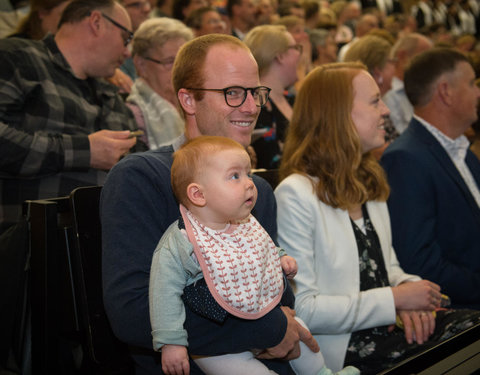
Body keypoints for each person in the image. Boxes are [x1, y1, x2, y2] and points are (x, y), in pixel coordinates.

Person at [101, 33, 319, 375]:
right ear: (188, 100)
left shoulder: (255, 189)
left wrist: (278, 322)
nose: (251, 107)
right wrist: (268, 330)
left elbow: (278, 294)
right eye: (233, 93)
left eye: (256, 92)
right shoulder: (141, 178)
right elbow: (133, 313)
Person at [274, 61, 480, 374]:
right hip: (344, 350)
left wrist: (413, 294)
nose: (386, 110)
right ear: (338, 114)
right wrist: (396, 300)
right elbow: (304, 307)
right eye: (374, 101)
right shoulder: (296, 194)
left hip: (388, 327)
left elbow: (389, 269)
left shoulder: (367, 180)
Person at [150, 135, 359, 375]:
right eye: (235, 176)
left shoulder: (245, 221)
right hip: (216, 347)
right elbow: (163, 293)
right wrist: (171, 342)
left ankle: (321, 372)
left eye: (248, 173)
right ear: (198, 195)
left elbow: (262, 245)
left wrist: (280, 257)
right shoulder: (182, 241)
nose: (250, 183)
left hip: (261, 317)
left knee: (301, 330)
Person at [0, 0, 144, 234]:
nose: (127, 52)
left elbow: (138, 164)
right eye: (126, 38)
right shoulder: (18, 58)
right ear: (96, 22)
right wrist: (84, 152)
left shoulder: (112, 96)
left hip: (103, 246)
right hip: (30, 246)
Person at [381, 48, 480, 310]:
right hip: (462, 312)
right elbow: (420, 261)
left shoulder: (462, 150)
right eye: (472, 83)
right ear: (445, 91)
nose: (478, 92)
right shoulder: (405, 159)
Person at [126, 17, 193, 150]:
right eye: (169, 62)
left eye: (183, 60)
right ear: (141, 64)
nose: (179, 69)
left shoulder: (194, 106)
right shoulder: (133, 114)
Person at [244, 24, 302, 169]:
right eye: (296, 48)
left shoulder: (293, 99)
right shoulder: (256, 105)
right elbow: (271, 163)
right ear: (280, 56)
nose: (300, 54)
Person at [382, 33, 433, 135]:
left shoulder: (423, 90)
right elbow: (398, 140)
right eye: (424, 58)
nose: (430, 66)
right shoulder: (389, 93)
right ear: (402, 56)